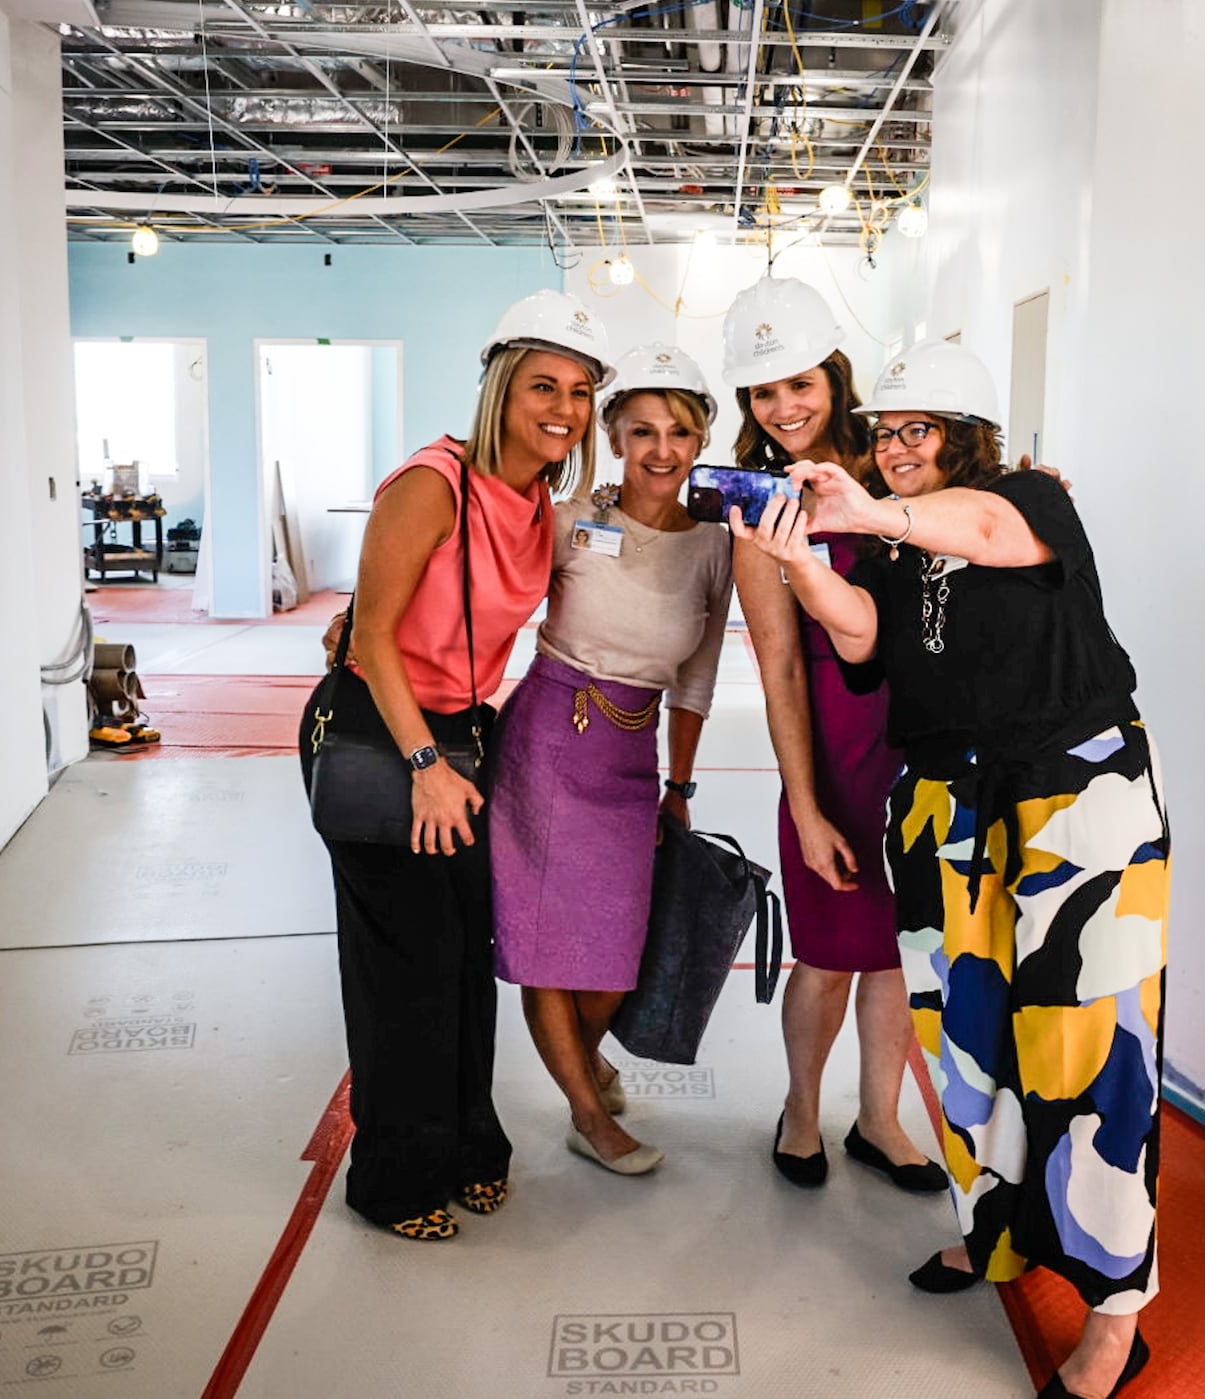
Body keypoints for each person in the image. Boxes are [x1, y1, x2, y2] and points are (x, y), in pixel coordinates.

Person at [734, 339, 1168, 1399]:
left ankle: (1115, 1314)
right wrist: (799, 560)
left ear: (968, 438)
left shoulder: (1023, 497)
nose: (892, 449)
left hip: (1077, 795)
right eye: (883, 433)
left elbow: (988, 535)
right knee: (966, 1037)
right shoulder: (887, 544)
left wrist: (870, 510)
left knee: (1087, 1041)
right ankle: (998, 1231)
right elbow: (862, 640)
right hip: (944, 802)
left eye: (914, 430)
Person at [299, 288, 612, 1240]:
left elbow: (655, 508)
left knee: (467, 962)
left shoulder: (535, 501)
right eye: (541, 385)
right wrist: (427, 762)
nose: (563, 406)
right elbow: (373, 641)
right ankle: (394, 1178)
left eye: (581, 390)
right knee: (407, 969)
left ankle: (472, 1145)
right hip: (383, 732)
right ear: (497, 389)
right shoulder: (431, 482)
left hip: (460, 739)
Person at [721, 275, 945, 1193]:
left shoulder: (891, 467)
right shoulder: (758, 504)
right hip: (831, 749)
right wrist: (805, 808)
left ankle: (881, 1120)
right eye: (763, 393)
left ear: (835, 376)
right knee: (824, 953)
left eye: (798, 383)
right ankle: (804, 1113)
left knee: (895, 951)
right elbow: (777, 667)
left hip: (917, 742)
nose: (783, 408)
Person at [491, 343, 733, 1175]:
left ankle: (582, 1063)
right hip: (550, 738)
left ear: (700, 441)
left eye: (677, 432)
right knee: (549, 938)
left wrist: (680, 784)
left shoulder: (713, 544)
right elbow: (488, 589)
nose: (660, 450)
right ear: (616, 437)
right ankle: (588, 1113)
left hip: (634, 750)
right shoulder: (570, 520)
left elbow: (697, 675)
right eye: (640, 432)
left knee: (615, 948)